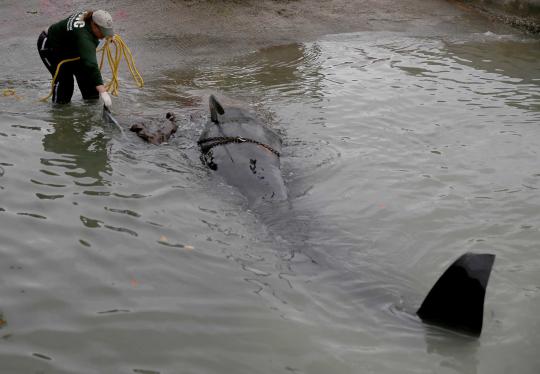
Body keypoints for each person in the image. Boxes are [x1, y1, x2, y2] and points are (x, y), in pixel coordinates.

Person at [37, 10, 114, 107]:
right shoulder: (83, 37)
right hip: (50, 45)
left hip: (70, 47)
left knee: (89, 82)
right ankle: (59, 114)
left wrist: (109, 35)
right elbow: (91, 65)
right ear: (94, 25)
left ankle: (90, 111)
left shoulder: (92, 17)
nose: (104, 35)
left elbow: (89, 67)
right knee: (64, 83)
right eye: (103, 32)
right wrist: (103, 92)